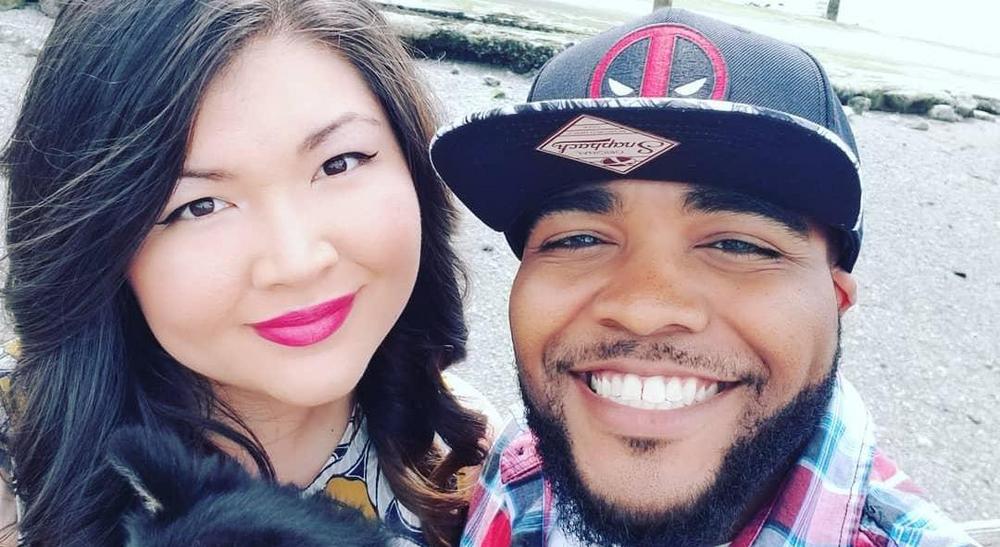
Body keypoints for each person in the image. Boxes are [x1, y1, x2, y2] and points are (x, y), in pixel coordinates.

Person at [430, 8, 977, 547]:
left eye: (737, 245)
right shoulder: (517, 468)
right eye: (578, 239)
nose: (643, 309)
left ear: (836, 300)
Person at [0, 1, 490, 545]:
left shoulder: (484, 464)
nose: (297, 262)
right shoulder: (15, 457)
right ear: (93, 247)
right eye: (199, 206)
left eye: (339, 163)